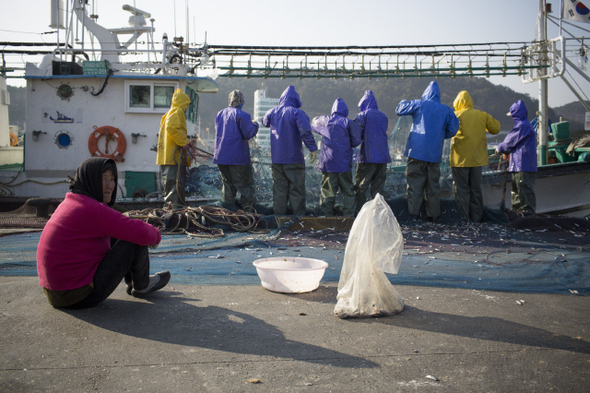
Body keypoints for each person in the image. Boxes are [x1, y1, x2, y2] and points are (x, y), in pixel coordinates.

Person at [36, 158, 169, 309]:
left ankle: (134, 281)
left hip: (55, 293)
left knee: (121, 232)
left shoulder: (71, 202)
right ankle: (142, 285)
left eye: (112, 179)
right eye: (103, 179)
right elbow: (143, 233)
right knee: (133, 237)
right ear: (90, 180)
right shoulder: (92, 209)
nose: (109, 185)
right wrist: (156, 236)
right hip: (77, 295)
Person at [395, 81, 459, 222]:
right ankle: (433, 216)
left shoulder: (419, 104)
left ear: (426, 93)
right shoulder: (447, 110)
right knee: (433, 187)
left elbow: (400, 110)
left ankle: (413, 215)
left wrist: (404, 100)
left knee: (415, 185)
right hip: (434, 154)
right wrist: (440, 135)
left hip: (416, 152)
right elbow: (453, 129)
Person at [262, 86, 318, 216]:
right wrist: (312, 148)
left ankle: (279, 217)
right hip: (294, 159)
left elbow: (264, 122)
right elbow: (305, 132)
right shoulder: (298, 113)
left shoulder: (272, 112)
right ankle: (297, 218)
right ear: (295, 100)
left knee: (279, 190)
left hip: (277, 159)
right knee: (296, 189)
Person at [451, 90, 501, 222]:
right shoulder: (481, 115)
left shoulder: (455, 115)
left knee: (461, 191)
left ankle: (463, 218)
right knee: (476, 190)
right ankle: (477, 219)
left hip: (459, 160)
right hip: (477, 159)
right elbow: (495, 129)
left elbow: (445, 130)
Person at [311, 98, 361, 216]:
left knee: (328, 192)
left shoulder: (324, 121)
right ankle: (348, 217)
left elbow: (313, 124)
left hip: (328, 164)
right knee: (348, 191)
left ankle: (326, 217)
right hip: (344, 163)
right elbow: (357, 140)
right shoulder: (348, 122)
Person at [214, 90, 259, 210]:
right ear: (241, 101)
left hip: (221, 157)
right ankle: (248, 212)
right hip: (238, 158)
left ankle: (228, 211)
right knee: (245, 185)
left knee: (228, 185)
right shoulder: (243, 115)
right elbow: (248, 133)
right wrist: (255, 125)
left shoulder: (220, 114)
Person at [496, 100, 537, 216]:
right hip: (518, 165)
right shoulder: (525, 126)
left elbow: (509, 142)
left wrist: (499, 148)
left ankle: (527, 216)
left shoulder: (522, 126)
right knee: (517, 191)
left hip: (523, 165)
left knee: (524, 191)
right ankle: (518, 215)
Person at [353, 90, 390, 215]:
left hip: (367, 156)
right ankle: (378, 214)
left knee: (361, 187)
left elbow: (356, 136)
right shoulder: (383, 116)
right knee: (378, 189)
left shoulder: (362, 116)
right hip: (383, 156)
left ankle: (360, 213)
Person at [157, 88, 193, 208]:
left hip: (169, 156)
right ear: (183, 103)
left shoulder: (170, 112)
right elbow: (172, 128)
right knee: (174, 185)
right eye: (186, 104)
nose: (186, 107)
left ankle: (175, 209)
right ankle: (173, 212)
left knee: (173, 185)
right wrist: (184, 142)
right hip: (172, 158)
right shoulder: (177, 111)